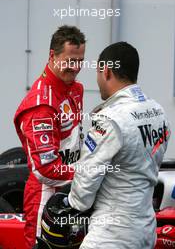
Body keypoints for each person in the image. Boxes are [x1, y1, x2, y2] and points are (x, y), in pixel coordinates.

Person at [66, 42, 171, 249]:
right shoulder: (158, 111)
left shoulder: (109, 118)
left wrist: (67, 202)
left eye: (98, 72)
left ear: (106, 71)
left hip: (111, 236)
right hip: (146, 231)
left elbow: (82, 194)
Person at [14, 25, 86, 249]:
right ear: (52, 56)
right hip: (45, 198)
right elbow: (44, 169)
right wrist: (90, 174)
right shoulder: (41, 105)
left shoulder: (75, 89)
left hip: (72, 192)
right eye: (70, 61)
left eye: (80, 61)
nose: (75, 68)